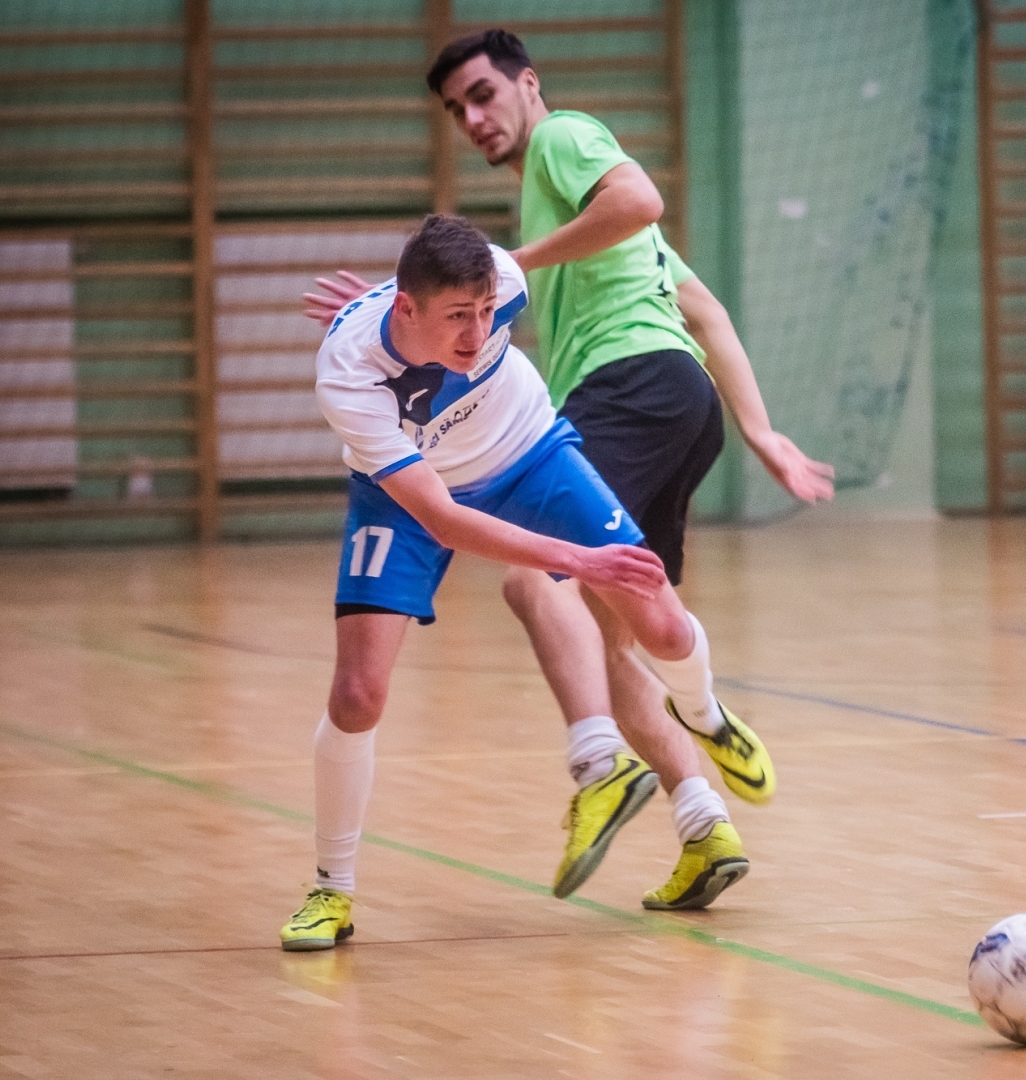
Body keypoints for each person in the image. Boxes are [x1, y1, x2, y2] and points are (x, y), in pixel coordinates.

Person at [302, 28, 832, 916]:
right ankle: (704, 819)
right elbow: (706, 308)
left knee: (538, 586)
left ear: (528, 85)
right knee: (620, 622)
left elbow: (641, 198)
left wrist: (514, 266)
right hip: (682, 395)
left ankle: (601, 762)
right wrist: (761, 430)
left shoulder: (563, 142)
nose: (473, 119)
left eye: (482, 95)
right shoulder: (562, 230)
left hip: (625, 385)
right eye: (456, 109)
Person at [281, 215, 757, 951]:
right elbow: (443, 520)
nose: (475, 334)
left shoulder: (504, 279)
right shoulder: (350, 375)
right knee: (357, 693)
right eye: (454, 318)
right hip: (410, 495)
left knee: (660, 622)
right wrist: (581, 563)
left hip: (531, 451)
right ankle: (331, 888)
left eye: (481, 313)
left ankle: (705, 714)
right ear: (406, 310)